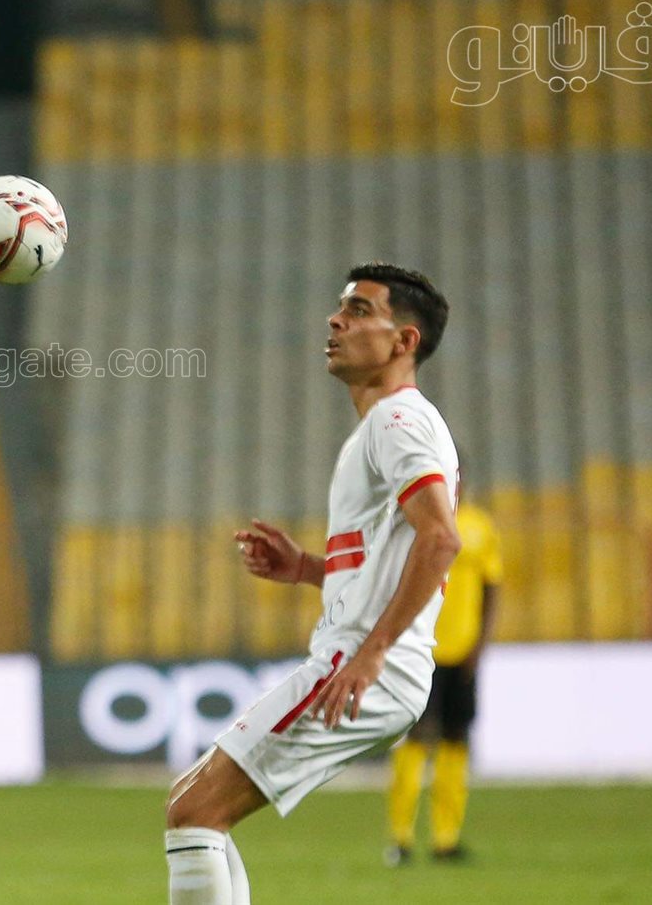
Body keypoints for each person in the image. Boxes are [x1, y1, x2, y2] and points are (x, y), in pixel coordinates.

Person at [164, 263, 461, 904]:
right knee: (191, 803)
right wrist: (306, 568)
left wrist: (372, 653)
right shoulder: (385, 426)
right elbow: (395, 555)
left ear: (404, 340)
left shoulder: (398, 421)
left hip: (365, 666)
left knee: (195, 814)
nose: (336, 320)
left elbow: (441, 539)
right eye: (340, 307)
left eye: (359, 310)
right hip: (366, 662)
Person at [385, 497, 502, 864]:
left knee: (455, 740)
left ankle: (445, 838)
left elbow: (492, 587)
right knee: (417, 739)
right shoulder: (414, 523)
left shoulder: (479, 526)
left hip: (463, 654)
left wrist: (480, 645)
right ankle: (400, 837)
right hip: (422, 652)